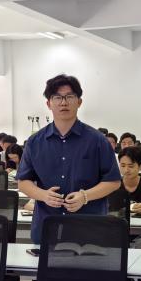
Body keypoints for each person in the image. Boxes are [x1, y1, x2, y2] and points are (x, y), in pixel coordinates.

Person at [16, 74, 121, 243]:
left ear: (79, 102)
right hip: (47, 227)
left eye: (69, 97)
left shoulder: (97, 140)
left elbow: (113, 181)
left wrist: (85, 196)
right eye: (57, 97)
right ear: (49, 104)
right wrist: (43, 195)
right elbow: (23, 182)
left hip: (89, 229)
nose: (63, 102)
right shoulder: (35, 142)